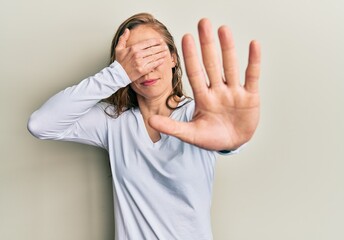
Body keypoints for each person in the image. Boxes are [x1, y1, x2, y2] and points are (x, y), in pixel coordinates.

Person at [27, 12, 261, 240]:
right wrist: (116, 74)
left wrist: (233, 141)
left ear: (173, 58)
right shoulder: (114, 122)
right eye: (134, 59)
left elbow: (223, 136)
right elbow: (41, 124)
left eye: (153, 53)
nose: (145, 68)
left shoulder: (198, 116)